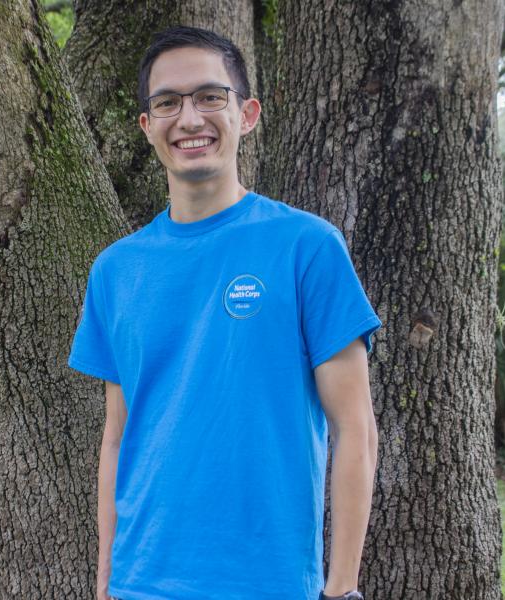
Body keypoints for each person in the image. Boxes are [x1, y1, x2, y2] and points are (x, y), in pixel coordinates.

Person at [68, 25, 382, 600]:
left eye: (210, 96)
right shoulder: (116, 270)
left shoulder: (307, 247)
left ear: (247, 113)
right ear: (147, 125)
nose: (189, 119)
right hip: (141, 584)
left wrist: (341, 589)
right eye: (168, 103)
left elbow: (354, 428)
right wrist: (106, 578)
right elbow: (117, 437)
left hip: (270, 583)